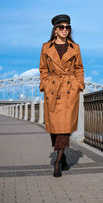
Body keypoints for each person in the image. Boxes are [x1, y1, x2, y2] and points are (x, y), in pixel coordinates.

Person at [39, 14, 85, 177]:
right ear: (55, 30)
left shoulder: (75, 47)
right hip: (52, 90)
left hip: (68, 90)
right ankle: (63, 155)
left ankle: (57, 162)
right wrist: (44, 83)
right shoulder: (46, 47)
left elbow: (79, 68)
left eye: (67, 27)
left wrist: (78, 84)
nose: (65, 30)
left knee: (64, 129)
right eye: (62, 27)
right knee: (54, 128)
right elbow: (43, 69)